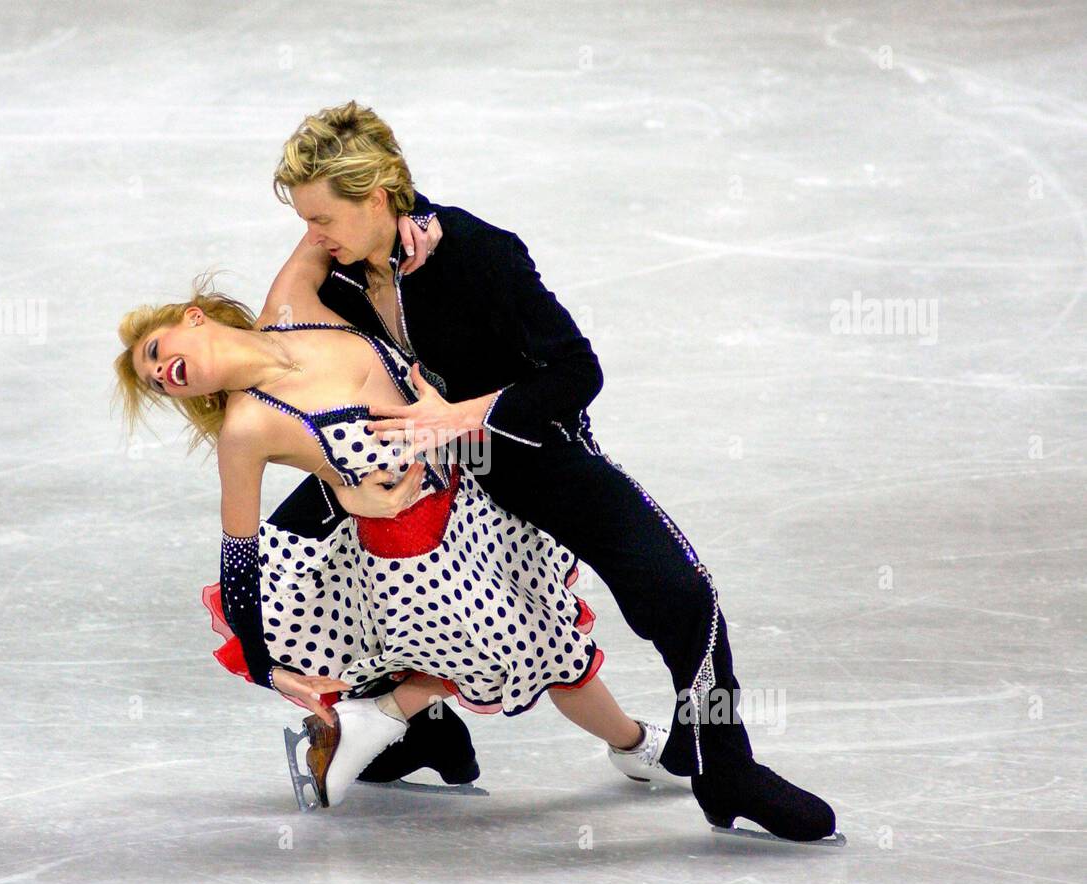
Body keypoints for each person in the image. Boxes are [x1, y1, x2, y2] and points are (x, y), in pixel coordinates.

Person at [248, 101, 840, 842]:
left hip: (528, 456)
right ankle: (420, 728)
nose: (312, 236)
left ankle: (727, 767)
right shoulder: (334, 276)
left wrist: (462, 415)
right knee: (292, 562)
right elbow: (276, 320)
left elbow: (577, 371)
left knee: (680, 590)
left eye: (321, 217)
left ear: (376, 196)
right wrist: (317, 249)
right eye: (303, 221)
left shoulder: (477, 253)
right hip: (420, 470)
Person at [113, 253, 686, 810]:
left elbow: (340, 198)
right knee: (538, 650)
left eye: (157, 353)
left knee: (546, 644)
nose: (164, 373)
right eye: (157, 382)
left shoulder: (292, 299)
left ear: (192, 316)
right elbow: (238, 555)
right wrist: (268, 669)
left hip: (474, 498)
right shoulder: (245, 429)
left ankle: (413, 725)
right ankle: (634, 745)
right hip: (413, 560)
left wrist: (423, 222)